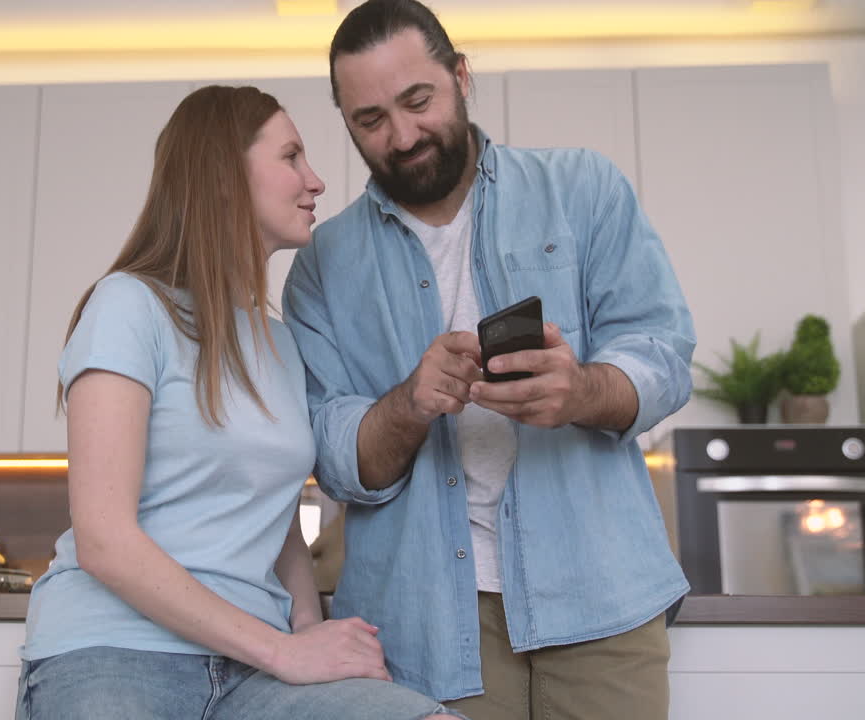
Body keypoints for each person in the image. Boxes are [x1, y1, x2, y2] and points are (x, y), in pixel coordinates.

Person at [281, 2, 697, 719]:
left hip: (603, 595)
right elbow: (337, 462)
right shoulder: (321, 265)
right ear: (345, 121)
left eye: (419, 101)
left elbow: (662, 354)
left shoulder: (582, 189)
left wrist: (583, 389)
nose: (403, 136)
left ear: (461, 76)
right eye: (371, 120)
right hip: (421, 620)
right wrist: (409, 404)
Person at [15, 84, 465, 720]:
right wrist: (286, 654)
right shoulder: (127, 305)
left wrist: (307, 630)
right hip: (115, 651)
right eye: (291, 157)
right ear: (225, 174)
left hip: (252, 672)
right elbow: (105, 540)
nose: (315, 182)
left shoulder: (278, 342)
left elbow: (271, 513)